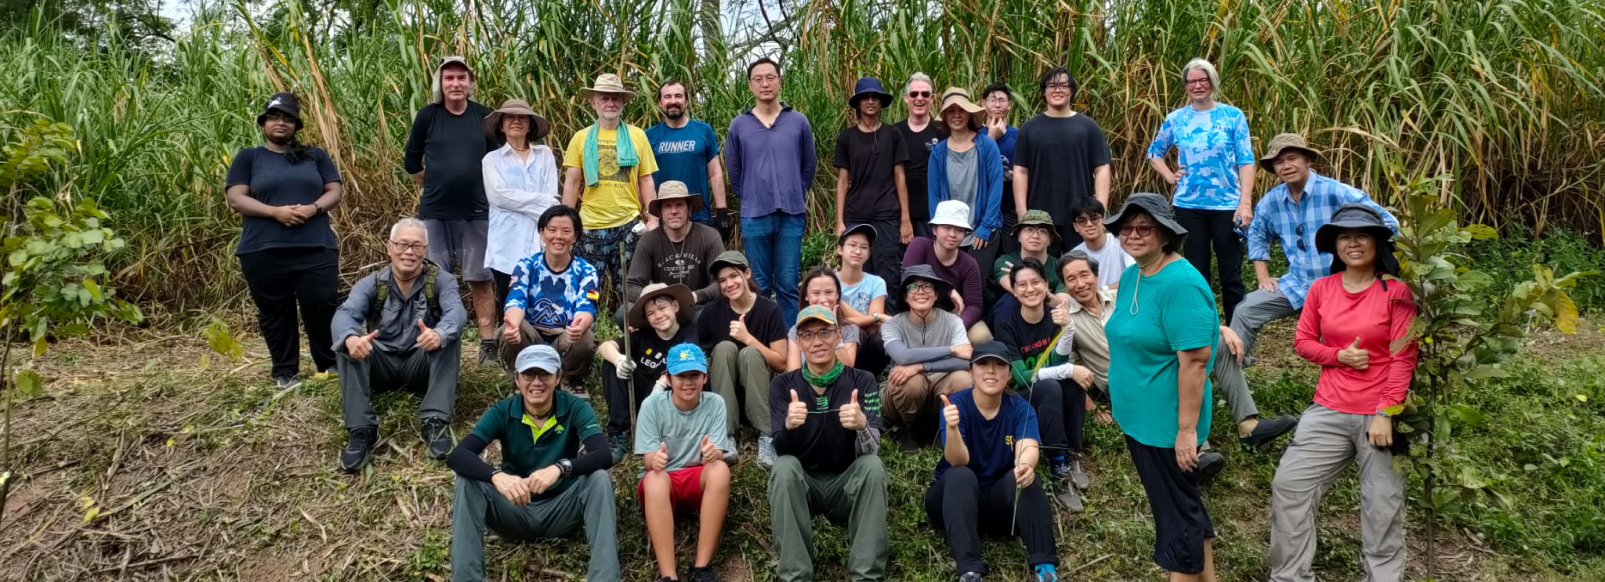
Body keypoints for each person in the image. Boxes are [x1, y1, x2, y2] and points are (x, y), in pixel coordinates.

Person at [1217, 133, 1399, 451]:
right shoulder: (1273, 201)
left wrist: (1364, 265)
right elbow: (1257, 232)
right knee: (1245, 310)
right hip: (1298, 284)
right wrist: (1263, 275)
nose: (1286, 166)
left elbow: (1388, 222)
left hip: (1340, 286)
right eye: (1278, 162)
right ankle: (1232, 373)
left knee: (1351, 341)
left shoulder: (1336, 192)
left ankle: (1360, 405)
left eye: (1292, 158)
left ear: (1307, 160)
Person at [1270, 204, 1417, 582]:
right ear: (1334, 245)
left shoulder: (1396, 292)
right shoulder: (1322, 289)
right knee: (1290, 485)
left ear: (1377, 243)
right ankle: (1289, 577)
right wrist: (1339, 356)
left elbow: (1404, 357)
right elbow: (1303, 342)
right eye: (1344, 236)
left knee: (1381, 507)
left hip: (1378, 414)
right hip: (1328, 408)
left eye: (1362, 235)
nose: (1353, 243)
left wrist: (1386, 412)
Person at [1103, 193, 1220, 581]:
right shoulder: (1134, 274)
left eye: (1144, 227)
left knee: (1177, 527)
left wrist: (1186, 432)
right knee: (1183, 509)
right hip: (1139, 419)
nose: (1133, 235)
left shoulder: (1181, 284)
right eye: (1126, 228)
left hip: (1166, 425)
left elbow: (1195, 362)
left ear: (1166, 234)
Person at [447, 345, 619, 582]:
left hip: (560, 511)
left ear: (558, 377)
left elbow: (603, 455)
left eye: (545, 374)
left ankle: (605, 578)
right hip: (513, 510)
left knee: (599, 479)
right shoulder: (503, 411)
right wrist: (496, 476)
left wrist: (560, 468)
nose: (536, 382)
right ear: (517, 379)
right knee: (467, 481)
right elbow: (458, 456)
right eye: (529, 374)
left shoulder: (576, 407)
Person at [225, 92, 343, 390]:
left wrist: (313, 208)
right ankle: (285, 372)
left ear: (296, 126)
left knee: (321, 306)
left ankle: (329, 366)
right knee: (275, 312)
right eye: (274, 117)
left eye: (288, 119)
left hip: (315, 246)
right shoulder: (249, 157)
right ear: (263, 123)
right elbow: (236, 198)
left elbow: (334, 190)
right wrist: (275, 212)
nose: (281, 123)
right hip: (263, 249)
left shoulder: (315, 156)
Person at [331, 218, 467, 469]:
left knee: (449, 338)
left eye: (417, 246)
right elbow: (346, 313)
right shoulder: (372, 283)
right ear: (389, 247)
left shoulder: (442, 280)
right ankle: (361, 429)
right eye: (402, 244)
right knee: (347, 345)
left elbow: (455, 311)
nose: (409, 252)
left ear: (425, 250)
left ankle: (435, 420)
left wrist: (439, 333)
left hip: (420, 363)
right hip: (380, 364)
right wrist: (351, 338)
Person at [768, 305, 889, 581]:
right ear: (798, 342)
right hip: (803, 488)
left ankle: (866, 576)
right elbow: (780, 449)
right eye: (808, 335)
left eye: (824, 332)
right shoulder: (782, 386)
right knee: (784, 468)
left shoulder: (863, 380)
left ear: (838, 336)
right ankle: (795, 575)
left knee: (872, 466)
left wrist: (862, 425)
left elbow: (873, 448)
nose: (817, 342)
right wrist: (788, 426)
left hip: (847, 485)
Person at [925, 342, 1061, 582]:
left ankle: (1045, 567)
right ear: (971, 372)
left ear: (1009, 374)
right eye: (983, 364)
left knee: (1026, 477)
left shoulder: (1020, 408)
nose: (991, 371)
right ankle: (969, 570)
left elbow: (1028, 446)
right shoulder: (955, 405)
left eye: (999, 365)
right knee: (960, 475)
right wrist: (953, 428)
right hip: (953, 502)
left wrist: (1025, 465)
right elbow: (957, 460)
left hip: (998, 505)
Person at [403, 56, 499, 363]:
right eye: (449, 78)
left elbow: (497, 161)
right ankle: (435, 339)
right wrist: (434, 182)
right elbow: (411, 161)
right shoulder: (427, 116)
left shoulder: (483, 116)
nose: (455, 83)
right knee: (432, 280)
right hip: (435, 213)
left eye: (461, 77)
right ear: (440, 84)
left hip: (477, 212)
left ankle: (487, 344)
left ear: (470, 83)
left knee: (480, 280)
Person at [1146, 58, 1257, 322]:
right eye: (1191, 81)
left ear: (1212, 82)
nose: (1197, 86)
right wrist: (1170, 176)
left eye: (1203, 80)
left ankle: (1237, 331)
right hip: (1189, 206)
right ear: (1185, 86)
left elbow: (1246, 160)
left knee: (1231, 274)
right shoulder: (1177, 119)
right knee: (1196, 273)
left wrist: (1245, 202)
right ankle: (1202, 330)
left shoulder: (1232, 116)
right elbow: (1154, 152)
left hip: (1227, 206)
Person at [991, 258, 1087, 511]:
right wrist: (1068, 370)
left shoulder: (1054, 317)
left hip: (1046, 386)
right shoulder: (1006, 322)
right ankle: (1058, 463)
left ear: (1046, 285)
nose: (1030, 289)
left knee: (1071, 385)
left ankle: (1073, 452)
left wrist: (1067, 329)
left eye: (1036, 282)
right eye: (1022, 285)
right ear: (1014, 290)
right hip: (1018, 396)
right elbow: (1021, 377)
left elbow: (1057, 360)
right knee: (1053, 385)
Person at [727, 57, 816, 327]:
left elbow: (808, 165)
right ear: (750, 85)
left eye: (770, 77)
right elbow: (734, 170)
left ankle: (790, 342)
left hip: (791, 214)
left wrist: (795, 190)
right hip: (754, 215)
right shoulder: (739, 125)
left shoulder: (798, 121)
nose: (764, 83)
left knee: (788, 284)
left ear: (780, 81)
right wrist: (751, 194)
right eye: (758, 79)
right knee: (759, 285)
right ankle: (762, 341)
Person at [636, 343, 735, 582]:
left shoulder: (715, 403)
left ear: (705, 377)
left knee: (720, 469)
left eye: (694, 375)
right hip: (663, 483)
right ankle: (668, 575)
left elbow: (717, 451)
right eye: (681, 376)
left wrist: (713, 454)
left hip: (697, 479)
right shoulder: (651, 405)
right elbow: (648, 461)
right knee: (655, 478)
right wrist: (656, 460)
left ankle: (701, 568)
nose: (688, 382)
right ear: (668, 379)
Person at [562, 73, 660, 300]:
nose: (610, 103)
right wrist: (566, 221)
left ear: (623, 103)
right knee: (587, 290)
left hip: (628, 225)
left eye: (616, 98)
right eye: (604, 98)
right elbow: (572, 182)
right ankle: (588, 324)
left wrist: (653, 218)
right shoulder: (581, 138)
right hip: (590, 226)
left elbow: (646, 179)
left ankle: (628, 324)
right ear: (593, 102)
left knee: (631, 290)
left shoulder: (637, 136)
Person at [694, 251, 790, 466]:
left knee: (750, 353)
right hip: (724, 390)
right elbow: (696, 352)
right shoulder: (712, 311)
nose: (729, 284)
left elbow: (781, 363)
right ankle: (725, 435)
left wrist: (749, 339)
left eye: (733, 276)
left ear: (747, 274)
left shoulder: (769, 310)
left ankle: (767, 435)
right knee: (724, 348)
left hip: (759, 391)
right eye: (722, 280)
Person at [500, 205, 600, 398]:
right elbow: (516, 300)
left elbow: (587, 306)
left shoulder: (586, 270)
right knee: (511, 328)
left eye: (566, 231)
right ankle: (523, 376)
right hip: (532, 336)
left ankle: (571, 379)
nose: (558, 236)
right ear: (541, 233)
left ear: (575, 236)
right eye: (552, 230)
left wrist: (579, 326)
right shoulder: (526, 265)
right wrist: (512, 325)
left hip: (564, 337)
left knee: (585, 337)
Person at [1012, 66, 1111, 251]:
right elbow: (1020, 171)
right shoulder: (1029, 128)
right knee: (1040, 267)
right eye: (1051, 85)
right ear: (1044, 91)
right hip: (1039, 218)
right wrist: (1022, 212)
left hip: (1081, 217)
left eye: (1063, 85)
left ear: (1071, 90)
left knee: (1081, 266)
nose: (1057, 90)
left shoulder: (1089, 127)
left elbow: (1102, 168)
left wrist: (1100, 210)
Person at [599, 283, 699, 461]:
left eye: (662, 308)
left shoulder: (688, 333)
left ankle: (664, 434)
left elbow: (687, 363)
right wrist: (618, 359)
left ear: (675, 306)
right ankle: (621, 433)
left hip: (669, 402)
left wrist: (660, 384)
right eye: (651, 313)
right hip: (641, 397)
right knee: (610, 364)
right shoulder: (641, 336)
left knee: (681, 374)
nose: (658, 316)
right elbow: (606, 346)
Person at [880, 264, 974, 452]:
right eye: (913, 287)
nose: (920, 291)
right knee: (910, 381)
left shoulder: (953, 321)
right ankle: (909, 428)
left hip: (939, 389)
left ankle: (943, 425)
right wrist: (952, 349)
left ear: (936, 294)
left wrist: (921, 366)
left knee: (964, 379)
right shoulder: (892, 325)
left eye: (927, 286)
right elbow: (903, 357)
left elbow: (966, 361)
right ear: (905, 296)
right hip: (902, 395)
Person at [481, 99, 559, 309]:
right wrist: (542, 201)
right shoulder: (491, 160)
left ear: (530, 124)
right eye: (510, 117)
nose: (516, 121)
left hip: (540, 241)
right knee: (510, 305)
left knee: (542, 304)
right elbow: (498, 197)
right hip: (506, 244)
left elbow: (552, 201)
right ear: (501, 125)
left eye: (522, 117)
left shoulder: (545, 155)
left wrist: (532, 203)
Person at [833, 77, 911, 287]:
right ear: (858, 103)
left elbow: (900, 177)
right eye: (865, 97)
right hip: (856, 215)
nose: (870, 101)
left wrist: (905, 218)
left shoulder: (893, 134)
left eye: (874, 97)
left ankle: (887, 310)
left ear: (881, 102)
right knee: (858, 271)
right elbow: (842, 182)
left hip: (887, 214)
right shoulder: (847, 138)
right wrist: (839, 221)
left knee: (889, 274)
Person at [620, 181, 726, 323]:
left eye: (679, 205)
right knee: (623, 314)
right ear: (660, 212)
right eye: (668, 206)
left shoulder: (709, 237)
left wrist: (695, 296)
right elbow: (631, 286)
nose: (674, 211)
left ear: (689, 209)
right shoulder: (648, 241)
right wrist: (653, 296)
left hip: (698, 307)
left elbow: (721, 282)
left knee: (713, 314)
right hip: (660, 309)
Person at [927, 87, 1005, 278]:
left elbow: (996, 186)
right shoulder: (938, 152)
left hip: (982, 228)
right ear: (944, 116)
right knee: (950, 282)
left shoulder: (987, 145)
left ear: (969, 113)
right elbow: (934, 195)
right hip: (951, 232)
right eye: (951, 111)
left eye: (961, 110)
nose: (956, 115)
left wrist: (986, 226)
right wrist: (940, 231)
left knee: (976, 281)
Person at [647, 79, 731, 239]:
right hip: (664, 218)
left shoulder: (704, 131)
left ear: (686, 101)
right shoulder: (649, 136)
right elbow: (644, 179)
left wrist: (722, 212)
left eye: (678, 96)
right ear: (659, 103)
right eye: (667, 97)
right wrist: (648, 216)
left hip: (699, 217)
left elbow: (715, 173)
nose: (673, 101)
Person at [903, 201, 989, 340]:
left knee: (982, 336)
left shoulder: (969, 263)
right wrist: (948, 290)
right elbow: (909, 277)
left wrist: (957, 326)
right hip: (919, 309)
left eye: (959, 230)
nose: (952, 234)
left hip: (954, 316)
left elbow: (974, 306)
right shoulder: (919, 245)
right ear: (935, 230)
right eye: (946, 228)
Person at [989, 209, 1068, 323]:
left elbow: (1062, 303)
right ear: (1019, 236)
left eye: (1042, 231)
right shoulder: (1005, 261)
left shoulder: (1060, 267)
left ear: (1050, 239)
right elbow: (1015, 290)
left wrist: (1021, 280)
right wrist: (1044, 291)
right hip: (1009, 319)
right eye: (1029, 230)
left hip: (1048, 320)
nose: (1035, 236)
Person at [833, 225, 891, 377]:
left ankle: (863, 381)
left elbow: (874, 327)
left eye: (864, 247)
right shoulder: (829, 281)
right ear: (840, 249)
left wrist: (843, 312)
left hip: (864, 346)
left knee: (883, 340)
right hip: (834, 340)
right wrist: (876, 317)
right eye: (852, 245)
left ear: (869, 254)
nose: (858, 251)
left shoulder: (876, 283)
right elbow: (831, 322)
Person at [787, 267, 862, 373]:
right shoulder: (795, 330)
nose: (823, 299)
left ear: (837, 295)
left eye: (829, 292)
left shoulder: (850, 328)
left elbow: (847, 369)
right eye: (816, 293)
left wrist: (834, 326)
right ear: (806, 296)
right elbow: (793, 373)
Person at [896, 72, 944, 238]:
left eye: (925, 94)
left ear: (932, 98)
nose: (919, 98)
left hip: (932, 214)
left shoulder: (942, 132)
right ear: (906, 98)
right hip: (900, 214)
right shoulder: (895, 132)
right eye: (914, 94)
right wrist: (904, 218)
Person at [981, 82, 1021, 256]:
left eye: (1002, 100)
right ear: (983, 103)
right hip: (983, 209)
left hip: (1011, 206)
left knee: (1011, 255)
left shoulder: (1018, 136)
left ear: (1009, 105)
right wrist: (991, 137)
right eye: (992, 100)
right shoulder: (975, 135)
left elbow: (1026, 170)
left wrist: (1010, 174)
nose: (997, 104)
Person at [1067, 198, 1133, 289]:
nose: (1089, 224)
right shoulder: (1074, 256)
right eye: (1082, 221)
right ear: (1075, 227)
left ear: (1103, 221)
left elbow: (1136, 276)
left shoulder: (1122, 242)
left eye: (1094, 219)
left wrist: (1103, 290)